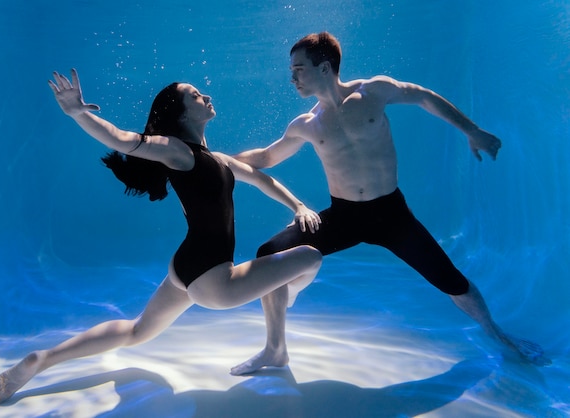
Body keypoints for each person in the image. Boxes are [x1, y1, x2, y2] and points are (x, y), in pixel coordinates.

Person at [0, 69, 323, 405]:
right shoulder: (177, 152)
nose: (205, 96)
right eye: (194, 94)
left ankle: (42, 360)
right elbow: (122, 140)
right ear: (180, 113)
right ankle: (283, 305)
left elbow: (262, 180)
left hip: (185, 266)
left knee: (136, 331)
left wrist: (297, 205)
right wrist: (78, 113)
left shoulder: (218, 160)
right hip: (215, 279)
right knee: (310, 257)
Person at [230, 32, 547, 375]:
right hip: (343, 215)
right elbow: (265, 157)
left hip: (391, 215)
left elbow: (423, 97)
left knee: (450, 280)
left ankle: (496, 333)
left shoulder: (373, 91)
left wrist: (472, 130)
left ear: (324, 68)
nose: (292, 78)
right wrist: (217, 161)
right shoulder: (306, 125)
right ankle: (275, 349)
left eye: (299, 69)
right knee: (267, 255)